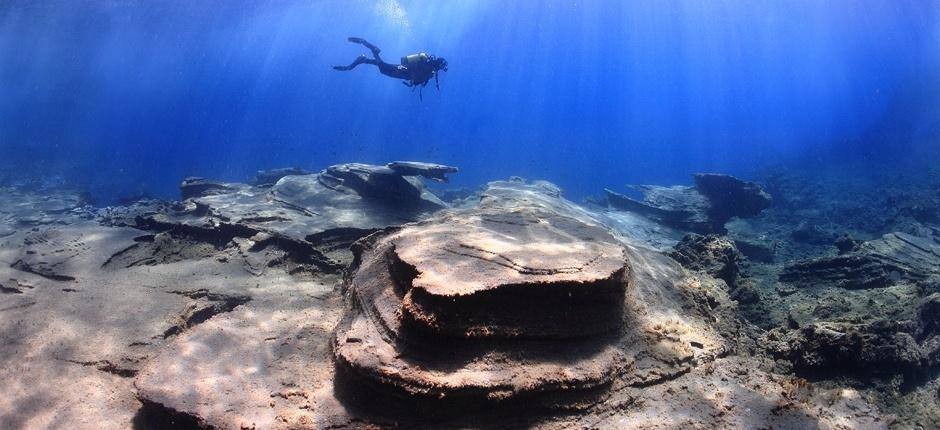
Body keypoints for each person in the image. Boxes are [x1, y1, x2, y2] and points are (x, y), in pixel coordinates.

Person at [333, 37, 448, 95]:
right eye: (442, 67)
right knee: (383, 68)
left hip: (404, 72)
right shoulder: (430, 70)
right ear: (439, 65)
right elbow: (419, 77)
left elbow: (419, 79)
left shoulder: (430, 69)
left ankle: (365, 60)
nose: (440, 69)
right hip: (404, 71)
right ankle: (374, 51)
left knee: (383, 67)